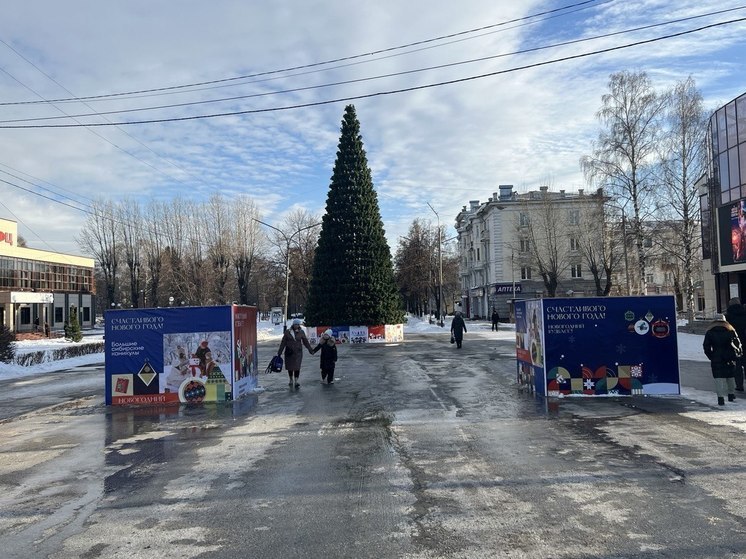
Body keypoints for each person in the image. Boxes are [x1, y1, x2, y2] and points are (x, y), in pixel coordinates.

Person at [702, 314, 742, 406]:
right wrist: (736, 355)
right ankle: (731, 395)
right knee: (730, 376)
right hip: (729, 356)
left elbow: (706, 346)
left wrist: (711, 356)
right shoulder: (731, 330)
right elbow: (737, 344)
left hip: (716, 356)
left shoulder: (710, 332)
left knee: (718, 378)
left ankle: (720, 398)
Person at [277, 318, 313, 388]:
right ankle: (291, 379)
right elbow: (283, 342)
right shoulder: (288, 332)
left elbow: (305, 342)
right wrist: (280, 352)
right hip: (289, 352)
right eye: (296, 324)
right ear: (293, 325)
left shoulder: (301, 332)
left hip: (298, 353)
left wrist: (310, 350)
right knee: (290, 367)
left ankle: (296, 381)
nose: (297, 326)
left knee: (297, 367)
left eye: (298, 324)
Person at [724, 297, 746, 391]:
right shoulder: (744, 314)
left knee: (737, 365)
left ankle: (739, 385)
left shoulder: (728, 316)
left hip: (734, 343)